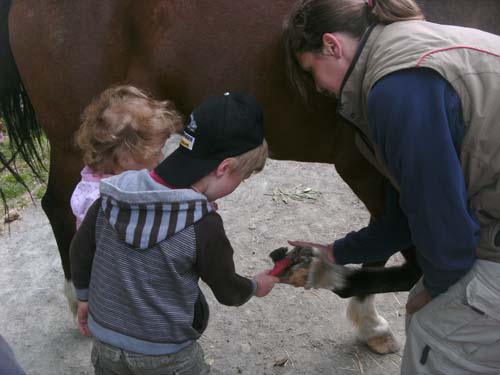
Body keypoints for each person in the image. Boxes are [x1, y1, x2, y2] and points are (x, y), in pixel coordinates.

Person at [283, 0, 500, 373]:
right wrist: (336, 252)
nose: (318, 87)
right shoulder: (406, 48)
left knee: (434, 336)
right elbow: (408, 212)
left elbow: (446, 236)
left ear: (333, 46)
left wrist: (436, 290)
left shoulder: (396, 89)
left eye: (311, 71)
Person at [69, 92, 279, 375]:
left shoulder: (111, 193)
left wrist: (83, 297)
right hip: (166, 354)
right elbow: (227, 289)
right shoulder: (203, 224)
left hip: (105, 339)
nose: (239, 184)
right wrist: (255, 286)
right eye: (242, 177)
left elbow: (80, 251)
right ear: (225, 167)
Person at [70, 85, 183, 229]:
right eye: (157, 152)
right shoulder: (111, 201)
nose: (160, 158)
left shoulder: (95, 182)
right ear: (124, 160)